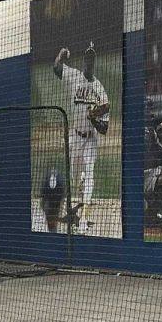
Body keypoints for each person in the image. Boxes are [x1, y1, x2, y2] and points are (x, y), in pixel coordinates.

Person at [53, 43, 109, 225]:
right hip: (74, 137)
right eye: (87, 58)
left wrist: (93, 119)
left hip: (90, 138)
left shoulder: (100, 89)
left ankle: (84, 216)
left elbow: (105, 129)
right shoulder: (73, 75)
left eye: (92, 59)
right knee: (75, 177)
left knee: (90, 171)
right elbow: (56, 68)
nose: (89, 62)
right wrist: (61, 55)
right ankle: (79, 188)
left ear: (94, 62)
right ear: (84, 60)